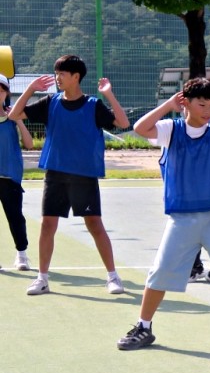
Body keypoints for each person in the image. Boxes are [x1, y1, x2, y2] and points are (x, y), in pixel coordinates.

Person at [115, 78, 210, 350]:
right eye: (202, 104)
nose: (209, 110)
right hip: (182, 216)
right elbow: (140, 128)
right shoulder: (170, 129)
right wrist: (168, 104)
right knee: (160, 273)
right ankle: (144, 327)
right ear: (185, 102)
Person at [7, 56, 129, 296]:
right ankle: (42, 278)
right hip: (55, 173)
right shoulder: (50, 102)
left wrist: (109, 94)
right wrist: (31, 89)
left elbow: (122, 122)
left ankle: (113, 276)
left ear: (76, 77)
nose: (57, 77)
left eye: (62, 73)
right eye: (56, 73)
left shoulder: (93, 105)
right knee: (47, 225)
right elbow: (14, 115)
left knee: (94, 224)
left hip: (84, 174)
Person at [0, 75, 33, 270]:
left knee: (15, 217)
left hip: (10, 177)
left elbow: (29, 144)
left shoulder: (13, 117)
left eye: (1, 90)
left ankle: (21, 255)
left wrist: (18, 120)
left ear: (6, 93)